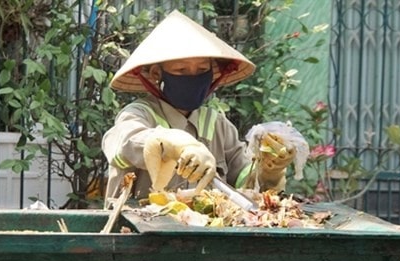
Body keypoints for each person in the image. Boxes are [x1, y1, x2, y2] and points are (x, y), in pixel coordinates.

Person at [102, 10, 300, 206]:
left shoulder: (217, 124)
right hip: (137, 234)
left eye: (202, 70)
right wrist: (175, 143)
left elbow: (243, 178)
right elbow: (123, 144)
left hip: (201, 234)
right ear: (156, 73)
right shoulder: (138, 114)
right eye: (181, 69)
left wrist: (269, 169)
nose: (193, 77)